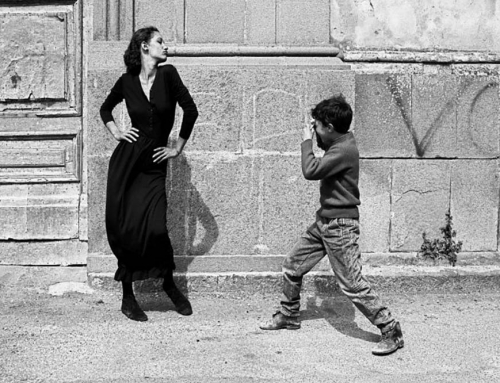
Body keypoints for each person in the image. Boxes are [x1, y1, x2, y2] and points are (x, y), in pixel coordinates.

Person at [259, 95, 404, 355]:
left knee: (352, 284)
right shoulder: (338, 142)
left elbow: (311, 170)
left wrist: (306, 141)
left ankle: (390, 329)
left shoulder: (344, 149)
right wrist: (315, 136)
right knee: (293, 265)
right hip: (324, 222)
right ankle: (289, 314)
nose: (313, 130)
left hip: (340, 226)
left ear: (328, 126)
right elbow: (322, 157)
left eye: (316, 126)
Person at [100, 26, 198, 322]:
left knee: (156, 227)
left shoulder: (169, 75)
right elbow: (105, 109)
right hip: (126, 164)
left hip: (154, 164)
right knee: (125, 227)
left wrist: (177, 147)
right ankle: (128, 297)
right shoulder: (127, 81)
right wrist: (117, 132)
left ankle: (168, 283)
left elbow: (190, 110)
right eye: (159, 41)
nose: (165, 46)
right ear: (144, 46)